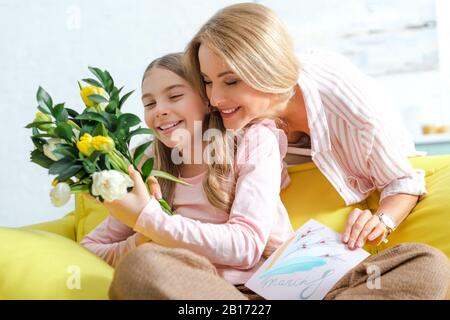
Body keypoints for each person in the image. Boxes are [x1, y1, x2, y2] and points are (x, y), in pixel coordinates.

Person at [80, 52, 295, 299]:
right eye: (149, 104)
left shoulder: (252, 140)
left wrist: (150, 219)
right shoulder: (147, 163)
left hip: (265, 287)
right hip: (194, 289)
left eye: (174, 96)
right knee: (140, 266)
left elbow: (246, 246)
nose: (159, 110)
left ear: (206, 100)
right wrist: (141, 241)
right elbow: (90, 248)